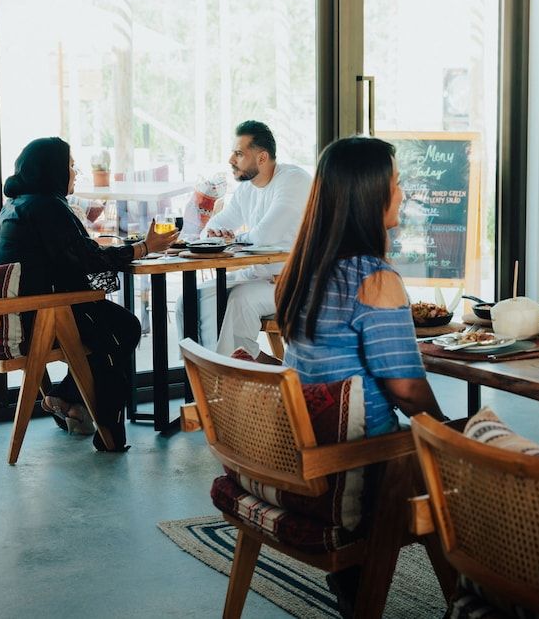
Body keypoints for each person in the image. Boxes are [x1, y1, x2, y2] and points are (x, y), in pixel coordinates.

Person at [0, 137, 178, 451]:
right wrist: (144, 248)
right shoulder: (46, 206)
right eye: (70, 166)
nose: (75, 173)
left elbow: (74, 254)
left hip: (17, 316)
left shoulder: (17, 205)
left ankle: (70, 400)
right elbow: (88, 260)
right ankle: (104, 429)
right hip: (44, 317)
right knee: (122, 330)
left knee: (109, 328)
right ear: (52, 170)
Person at [275, 135, 446, 437]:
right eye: (396, 183)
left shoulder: (306, 266)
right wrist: (448, 433)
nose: (402, 195)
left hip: (306, 444)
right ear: (370, 194)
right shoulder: (374, 279)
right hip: (360, 459)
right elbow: (406, 389)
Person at [176, 120, 311, 359]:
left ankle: (231, 384)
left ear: (262, 158)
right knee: (187, 301)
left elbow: (265, 235)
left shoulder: (293, 180)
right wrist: (219, 236)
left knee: (240, 300)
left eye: (239, 153)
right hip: (257, 276)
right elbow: (211, 231)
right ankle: (202, 376)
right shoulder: (247, 189)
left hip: (295, 283)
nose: (230, 159)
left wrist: (231, 239)